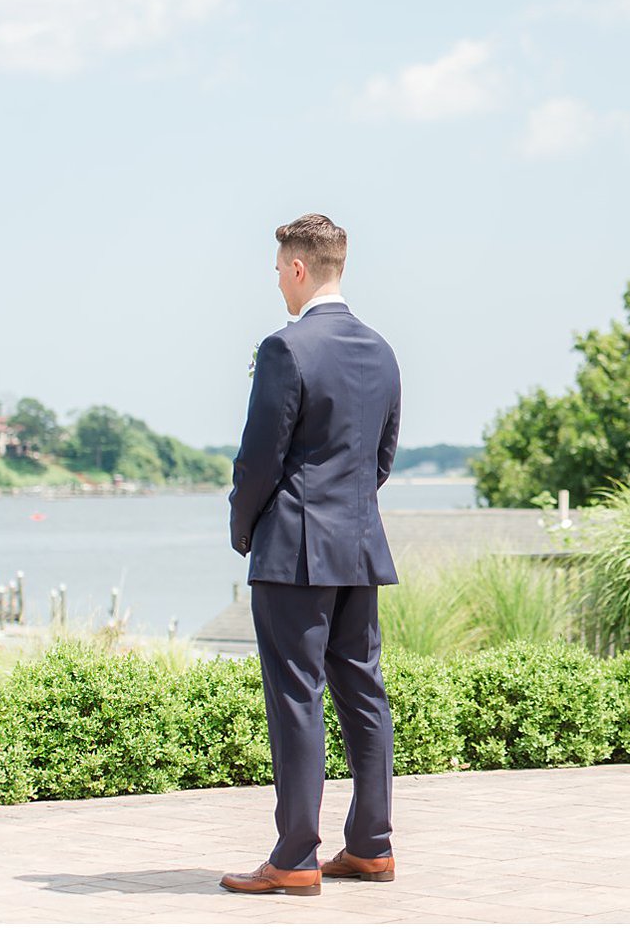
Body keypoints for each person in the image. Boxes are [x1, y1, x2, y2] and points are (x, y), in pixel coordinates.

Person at [221, 213, 401, 897]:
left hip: (293, 549)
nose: (277, 285)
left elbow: (259, 458)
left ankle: (295, 856)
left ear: (298, 268)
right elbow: (381, 457)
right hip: (358, 546)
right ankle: (372, 847)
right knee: (364, 695)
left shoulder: (285, 348)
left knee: (296, 699)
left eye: (277, 272)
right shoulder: (382, 351)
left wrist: (245, 528)